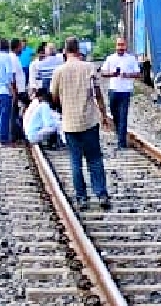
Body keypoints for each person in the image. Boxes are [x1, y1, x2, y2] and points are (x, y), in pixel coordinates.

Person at [51, 36, 110, 211]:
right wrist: (104, 114)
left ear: (65, 51)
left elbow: (53, 96)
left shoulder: (58, 71)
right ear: (78, 50)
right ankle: (101, 194)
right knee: (94, 159)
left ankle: (82, 198)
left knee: (75, 161)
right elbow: (97, 93)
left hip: (70, 123)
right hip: (89, 121)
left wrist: (63, 102)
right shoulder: (89, 68)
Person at [101, 37, 140, 150]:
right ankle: (120, 134)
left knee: (123, 116)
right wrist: (112, 74)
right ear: (116, 46)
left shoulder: (131, 59)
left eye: (122, 45)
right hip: (113, 90)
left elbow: (138, 74)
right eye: (119, 45)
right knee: (115, 115)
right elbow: (103, 72)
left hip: (125, 91)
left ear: (125, 46)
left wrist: (127, 75)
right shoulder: (110, 58)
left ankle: (121, 143)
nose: (120, 47)